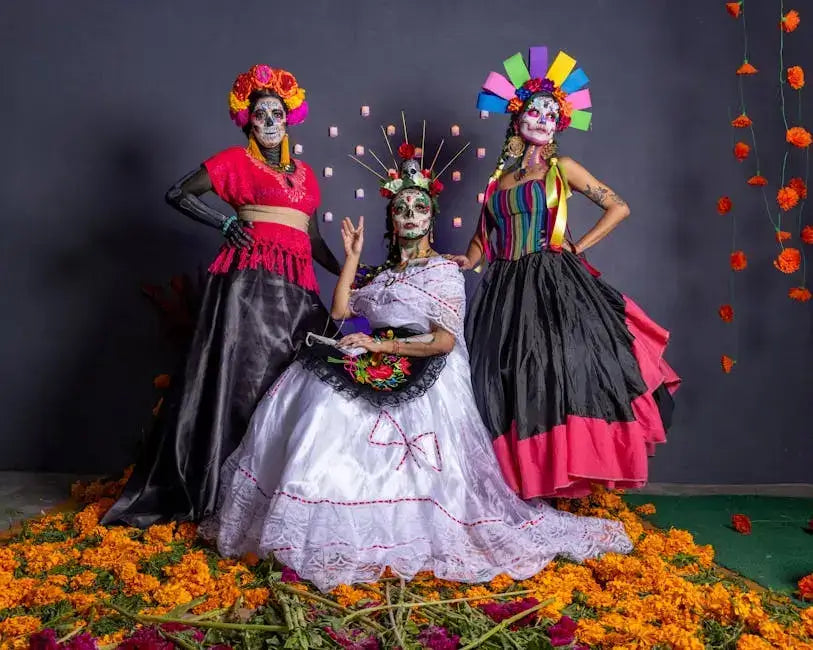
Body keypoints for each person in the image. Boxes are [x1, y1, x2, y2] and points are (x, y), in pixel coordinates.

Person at [199, 130, 632, 592]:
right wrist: (351, 259)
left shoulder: (445, 269)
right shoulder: (384, 273)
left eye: (419, 209)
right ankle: (315, 515)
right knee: (315, 393)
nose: (410, 216)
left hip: (423, 365)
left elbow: (444, 342)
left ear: (431, 218)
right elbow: (343, 311)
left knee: (349, 406)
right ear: (392, 218)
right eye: (401, 209)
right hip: (375, 354)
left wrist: (380, 347)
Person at [103, 65, 340, 527]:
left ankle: (278, 492)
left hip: (298, 289)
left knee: (293, 387)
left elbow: (312, 241)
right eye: (260, 114)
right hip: (249, 288)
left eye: (277, 113)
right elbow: (178, 193)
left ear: (289, 120)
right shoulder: (235, 161)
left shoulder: (308, 176)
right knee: (244, 384)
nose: (270, 121)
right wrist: (225, 223)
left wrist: (352, 266)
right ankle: (225, 492)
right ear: (247, 121)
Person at [452, 46, 680, 500]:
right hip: (503, 288)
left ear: (559, 124)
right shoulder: (498, 183)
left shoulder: (564, 169)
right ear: (516, 118)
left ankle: (561, 477)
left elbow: (619, 207)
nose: (540, 119)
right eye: (532, 110)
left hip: (552, 282)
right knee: (508, 378)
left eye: (549, 113)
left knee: (559, 371)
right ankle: (521, 482)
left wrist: (579, 245)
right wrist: (466, 261)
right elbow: (482, 240)